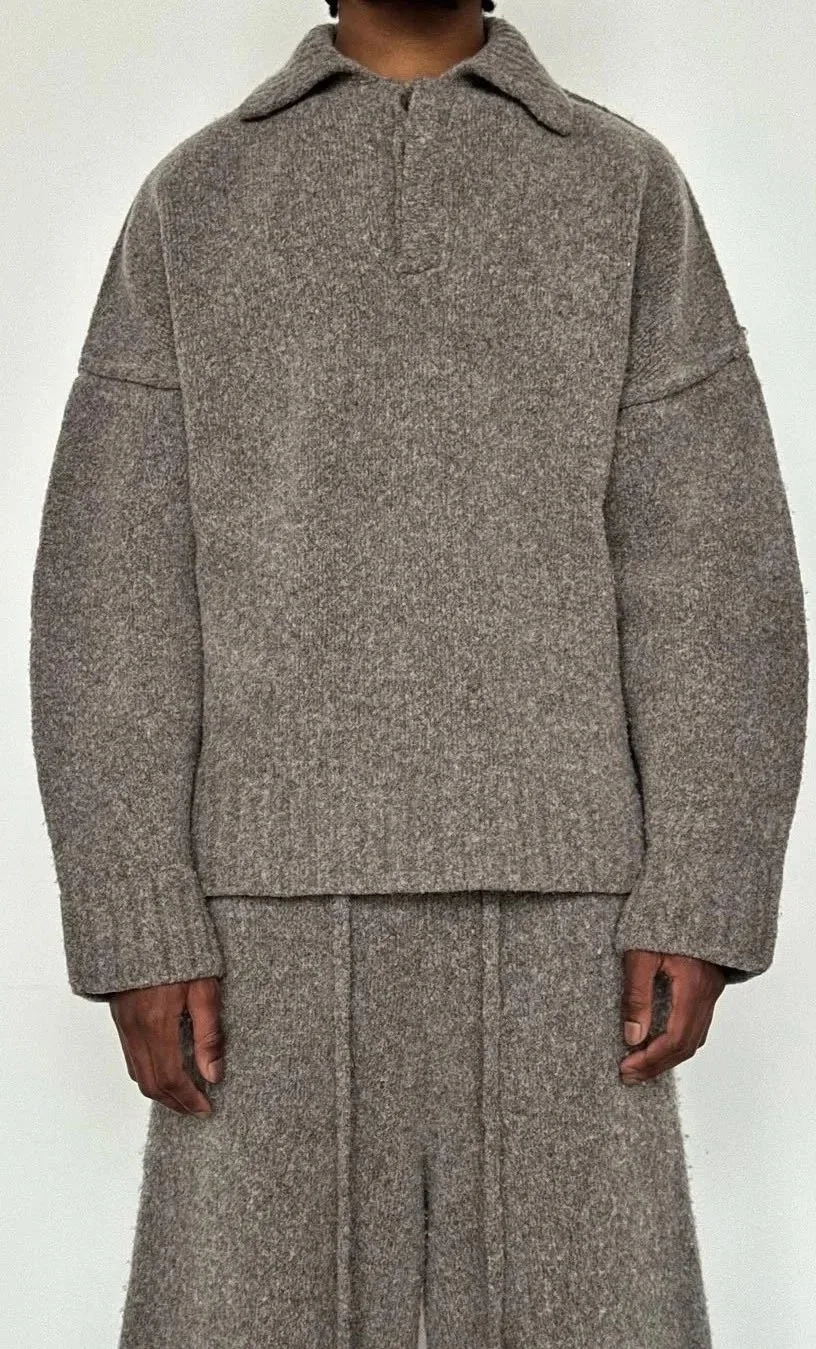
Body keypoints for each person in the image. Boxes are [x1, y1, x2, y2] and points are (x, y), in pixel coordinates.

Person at [29, 2, 808, 1346]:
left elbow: (714, 565)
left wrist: (701, 884)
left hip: (571, 913)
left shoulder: (621, 187)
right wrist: (137, 918)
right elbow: (114, 586)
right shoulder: (198, 197)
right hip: (259, 917)